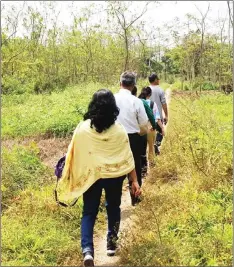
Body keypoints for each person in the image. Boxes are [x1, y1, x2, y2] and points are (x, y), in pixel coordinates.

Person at [58, 89, 141, 267]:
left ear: (93, 106)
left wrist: (68, 176)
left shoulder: (82, 129)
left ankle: (87, 251)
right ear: (113, 108)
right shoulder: (119, 130)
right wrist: (134, 181)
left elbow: (73, 154)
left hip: (91, 177)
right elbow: (128, 157)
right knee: (113, 207)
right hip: (114, 176)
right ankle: (111, 243)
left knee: (89, 212)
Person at [114, 72, 148, 205]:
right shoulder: (136, 101)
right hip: (133, 138)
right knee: (135, 167)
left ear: (120, 83)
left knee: (115, 167)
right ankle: (136, 198)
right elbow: (144, 124)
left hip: (114, 138)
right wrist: (139, 134)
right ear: (134, 85)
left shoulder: (111, 99)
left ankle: (114, 200)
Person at [131, 86, 158, 176]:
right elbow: (151, 115)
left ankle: (142, 169)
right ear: (149, 95)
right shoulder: (148, 103)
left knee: (140, 150)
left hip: (136, 129)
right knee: (151, 147)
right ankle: (152, 166)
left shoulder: (133, 102)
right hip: (148, 127)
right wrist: (154, 126)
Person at [138, 86, 165, 165]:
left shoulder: (137, 102)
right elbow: (157, 118)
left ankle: (142, 165)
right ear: (149, 94)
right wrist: (162, 128)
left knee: (140, 148)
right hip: (150, 127)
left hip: (139, 127)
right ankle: (151, 163)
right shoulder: (152, 103)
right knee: (151, 147)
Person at [149, 73, 168, 155]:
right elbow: (164, 104)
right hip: (158, 117)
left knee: (150, 133)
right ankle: (156, 145)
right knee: (160, 132)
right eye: (158, 78)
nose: (159, 80)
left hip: (148, 117)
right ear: (156, 80)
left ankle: (152, 147)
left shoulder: (146, 89)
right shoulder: (160, 90)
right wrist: (166, 115)